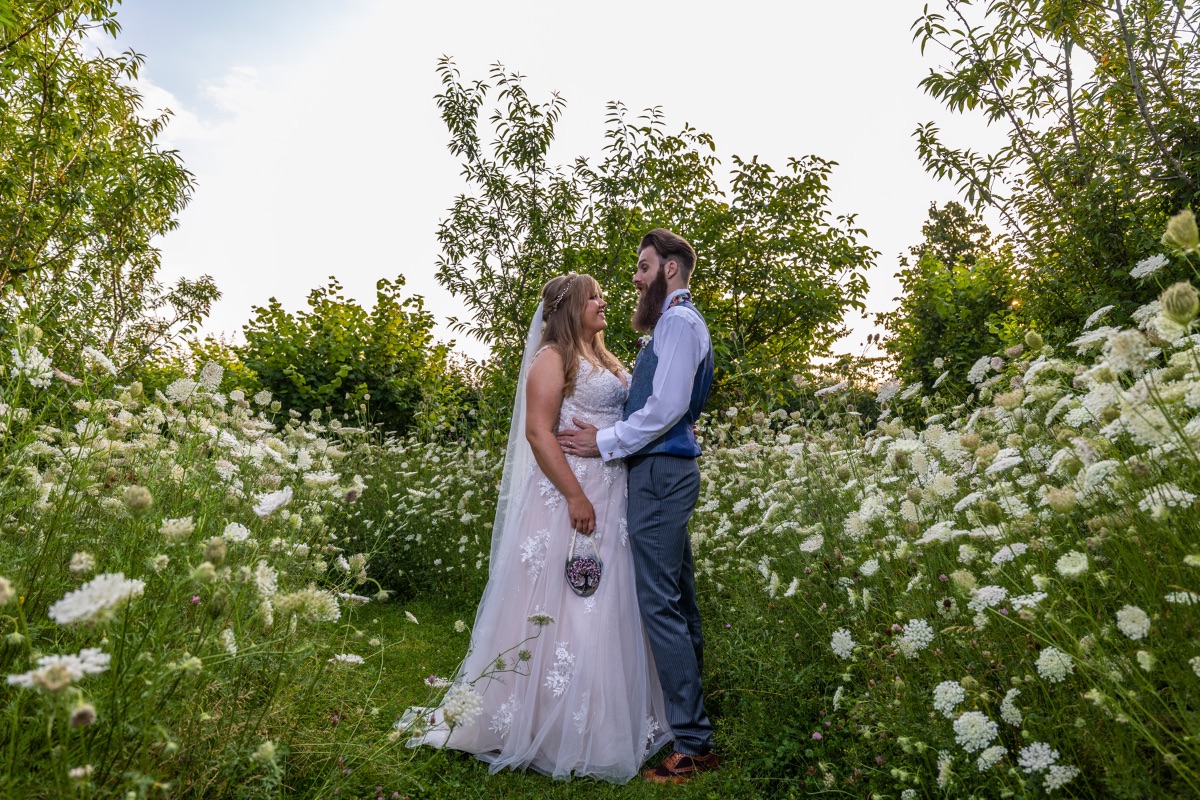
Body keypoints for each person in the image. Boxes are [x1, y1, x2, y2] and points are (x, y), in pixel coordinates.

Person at [404, 273, 672, 783]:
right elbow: (536, 430)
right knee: (568, 600)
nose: (604, 300)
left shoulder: (606, 357)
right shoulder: (552, 358)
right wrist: (575, 494)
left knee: (609, 600)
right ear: (570, 308)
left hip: (614, 494)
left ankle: (609, 718)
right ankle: (546, 723)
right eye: (594, 295)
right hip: (569, 495)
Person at [557, 228, 718, 784]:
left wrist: (602, 442)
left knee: (660, 606)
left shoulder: (676, 323)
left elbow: (667, 407)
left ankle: (694, 744)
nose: (635, 277)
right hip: (664, 475)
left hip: (659, 477)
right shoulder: (675, 326)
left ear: (670, 270)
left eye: (644, 266)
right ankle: (691, 725)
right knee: (678, 597)